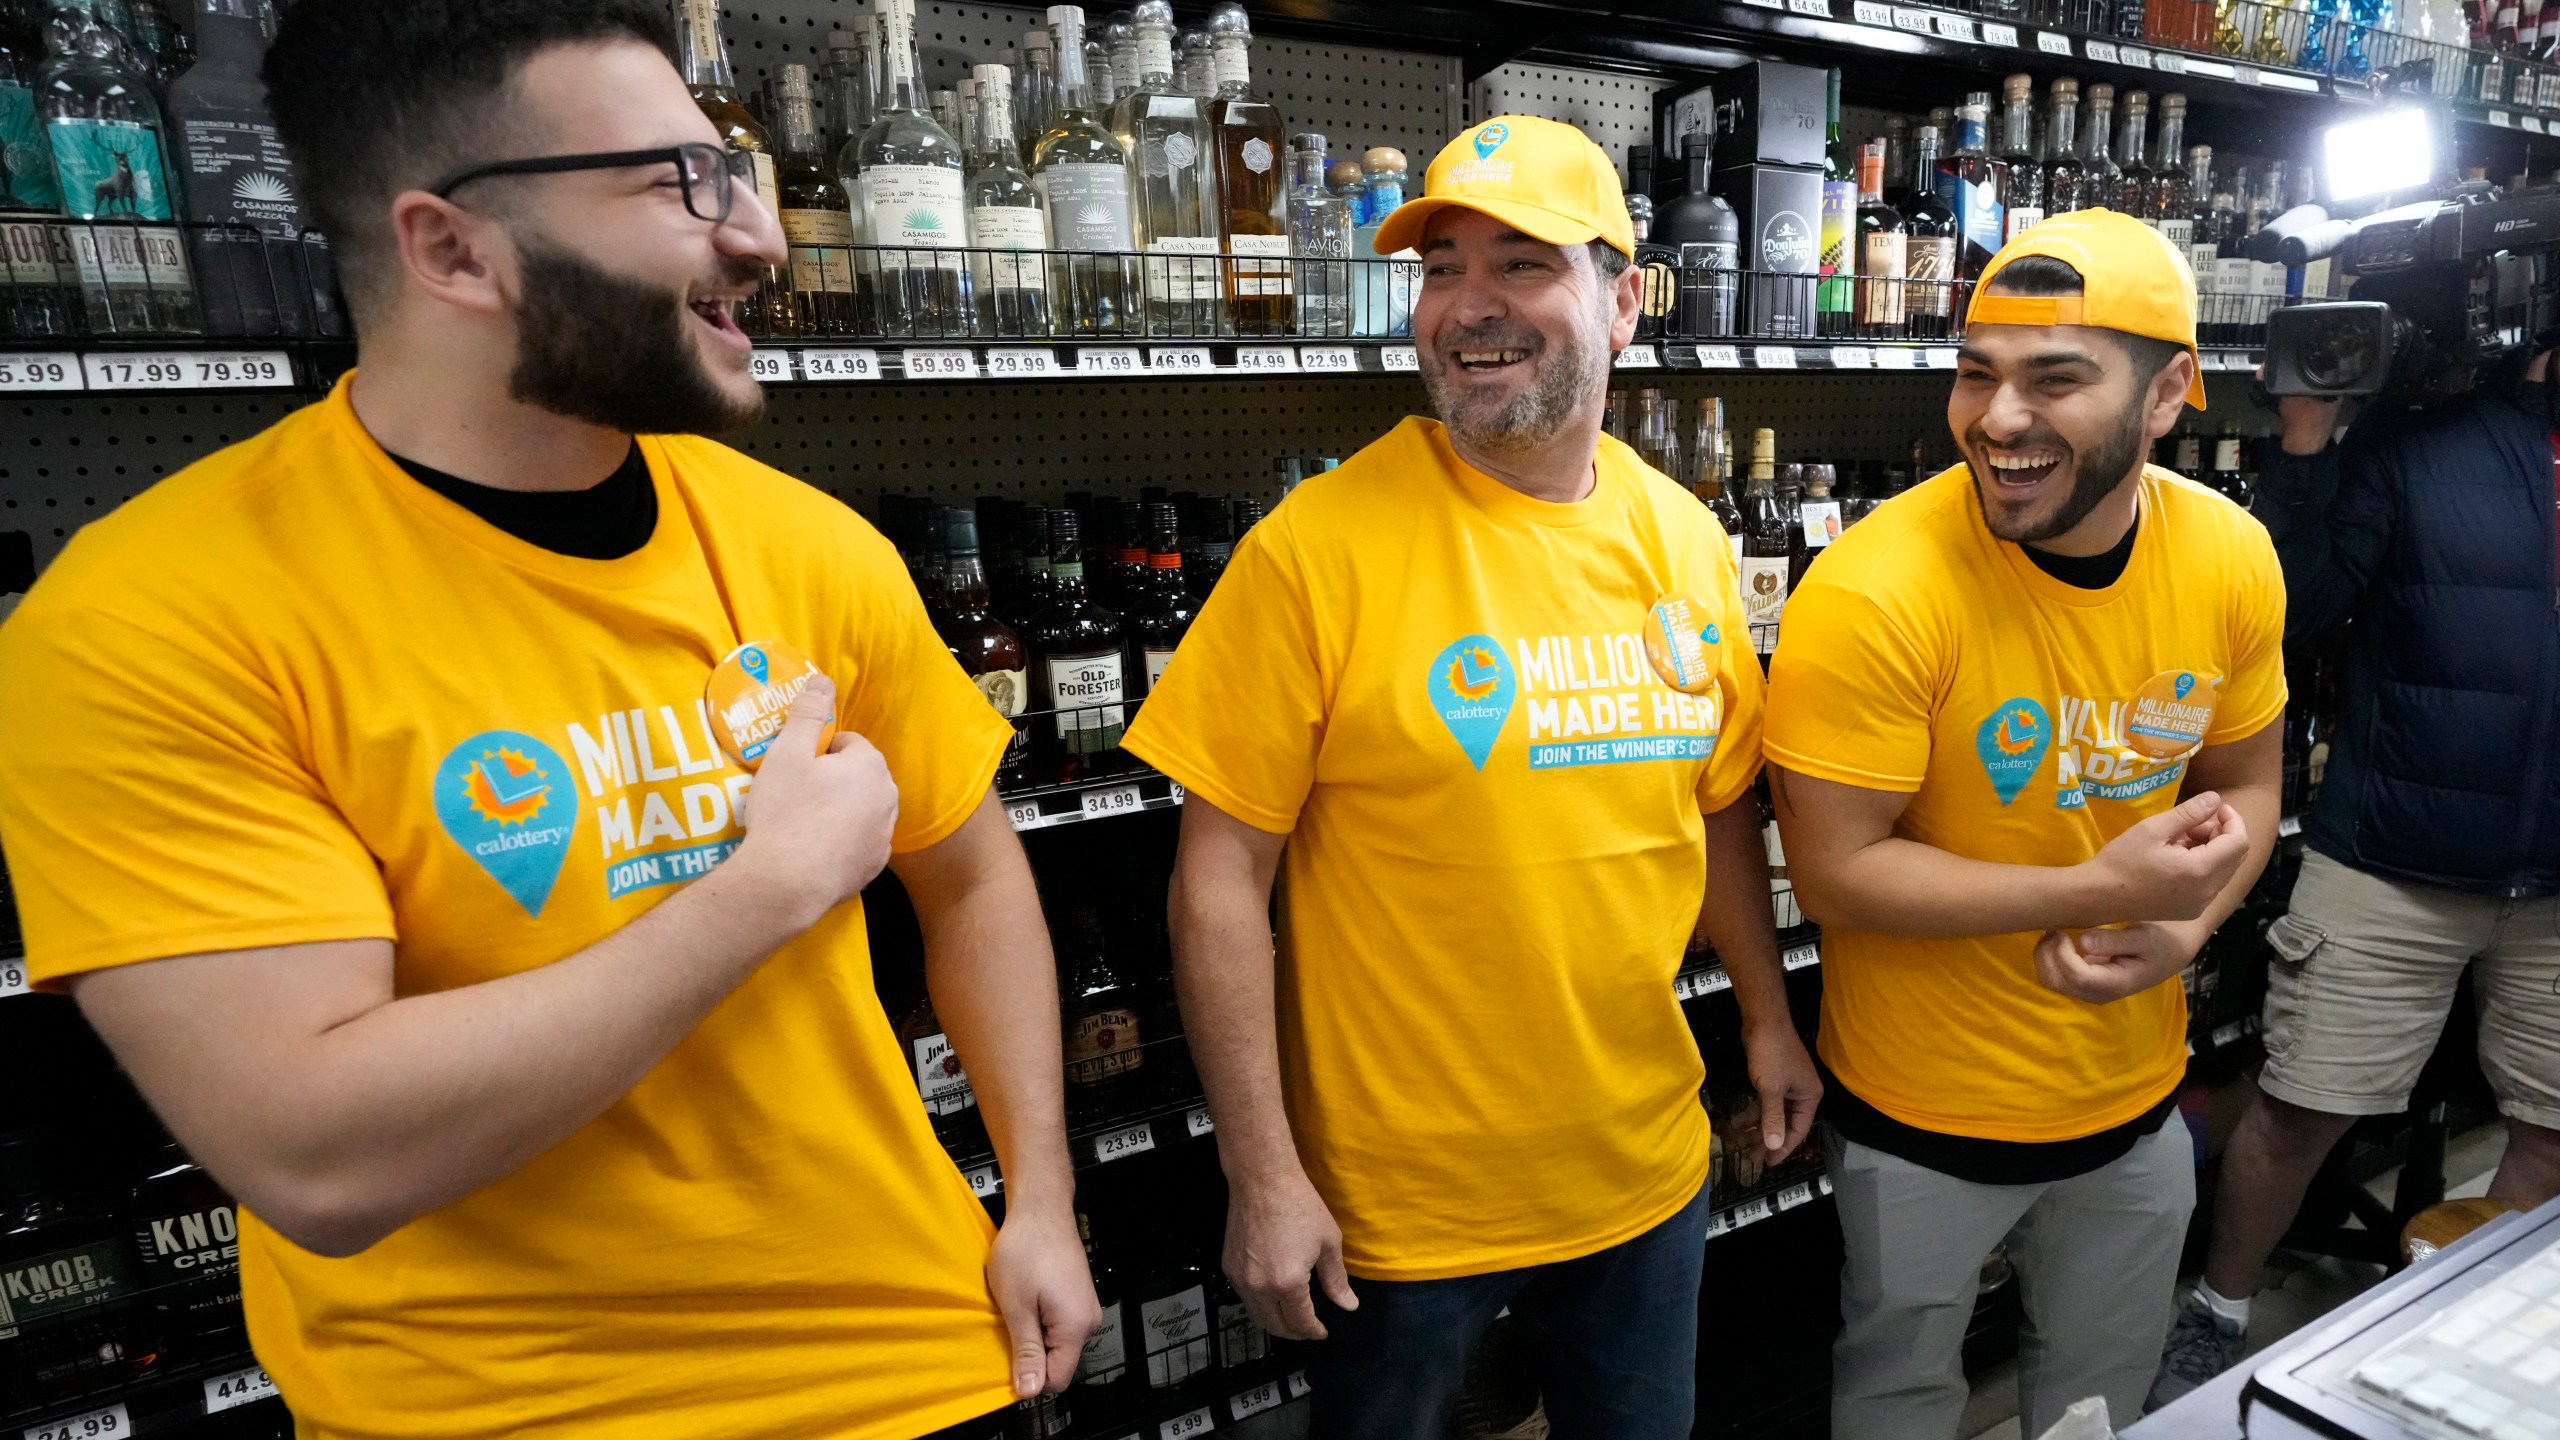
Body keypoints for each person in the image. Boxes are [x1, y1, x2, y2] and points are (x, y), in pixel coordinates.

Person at [0, 3, 1097, 1437]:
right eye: (677, 184)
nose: (761, 236)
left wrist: (1042, 1200)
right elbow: (320, 1157)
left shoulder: (806, 545)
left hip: (923, 1368)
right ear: (451, 248)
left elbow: (972, 870)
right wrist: (759, 893)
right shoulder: (154, 620)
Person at [1122, 114, 1822, 1440]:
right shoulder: (1315, 551)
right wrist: (1262, 1175)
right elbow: (1215, 885)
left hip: (1642, 1174)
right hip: (1400, 1215)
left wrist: (1770, 1022)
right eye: (1442, 267)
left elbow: (1720, 801)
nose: (1469, 309)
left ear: (1622, 302)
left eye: (1519, 265)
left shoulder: (1682, 537)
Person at [1764, 211, 2287, 1440]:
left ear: (2169, 393)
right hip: (1917, 1121)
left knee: (2098, 1407)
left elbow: (2252, 790)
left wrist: (2186, 927)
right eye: (1975, 372)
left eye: (2055, 378)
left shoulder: (2229, 556)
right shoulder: (1872, 590)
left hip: (2131, 1103)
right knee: (1895, 1399)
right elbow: (1835, 875)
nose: (1998, 420)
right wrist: (2093, 891)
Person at [2150, 350, 2560, 1404]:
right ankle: (2219, 1310)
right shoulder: (2425, 441)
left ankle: (2459, 1336)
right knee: (2296, 1114)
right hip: (2388, 855)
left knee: (2553, 1131)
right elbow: (2293, 605)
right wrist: (2302, 441)